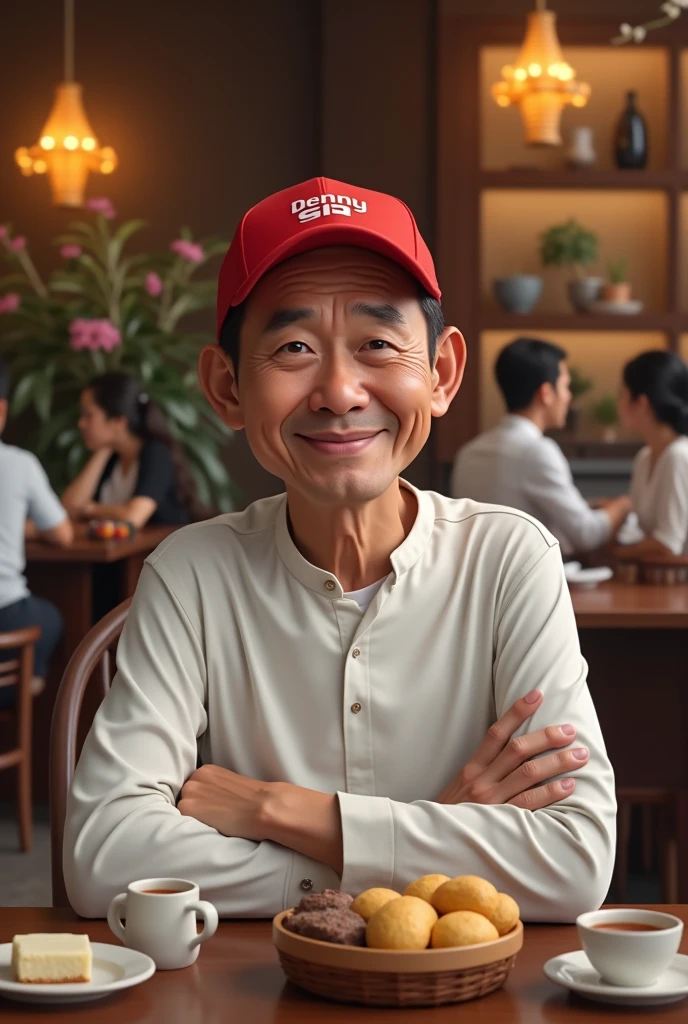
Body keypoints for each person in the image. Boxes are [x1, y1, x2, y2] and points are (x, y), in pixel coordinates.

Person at [65, 177, 615, 924]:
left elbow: (576, 861)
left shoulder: (509, 559)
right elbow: (105, 858)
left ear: (442, 374)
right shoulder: (192, 573)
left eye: (378, 345)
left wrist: (278, 809)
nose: (339, 390)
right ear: (226, 387)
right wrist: (428, 838)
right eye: (293, 346)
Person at [451, 337, 631, 556]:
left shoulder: (468, 452)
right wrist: (622, 506)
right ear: (545, 394)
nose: (568, 396)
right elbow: (587, 533)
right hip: (525, 582)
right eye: (565, 386)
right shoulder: (536, 451)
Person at [0, 358, 72, 707]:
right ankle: (26, 689)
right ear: (1, 411)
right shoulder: (17, 463)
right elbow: (62, 535)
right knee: (54, 617)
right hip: (7, 615)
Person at [62, 372, 202, 529]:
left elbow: (133, 517)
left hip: (162, 550)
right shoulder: (111, 456)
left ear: (119, 422)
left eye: (89, 415)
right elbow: (69, 510)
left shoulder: (156, 452)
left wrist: (89, 508)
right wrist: (103, 451)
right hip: (120, 551)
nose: (81, 424)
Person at [615, 350, 688, 558]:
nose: (619, 405)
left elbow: (667, 543)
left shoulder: (679, 456)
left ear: (642, 403)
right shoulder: (645, 457)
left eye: (623, 395)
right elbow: (639, 529)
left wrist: (617, 553)